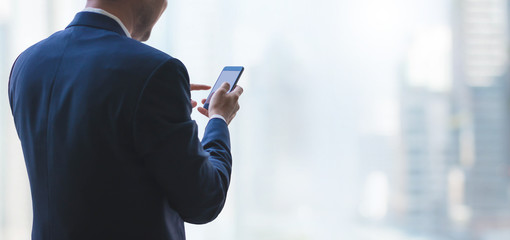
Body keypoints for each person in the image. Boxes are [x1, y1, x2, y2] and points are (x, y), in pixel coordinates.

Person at [8, 0, 243, 239]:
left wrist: (162, 107)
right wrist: (218, 119)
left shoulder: (25, 64)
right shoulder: (157, 71)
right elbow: (204, 200)